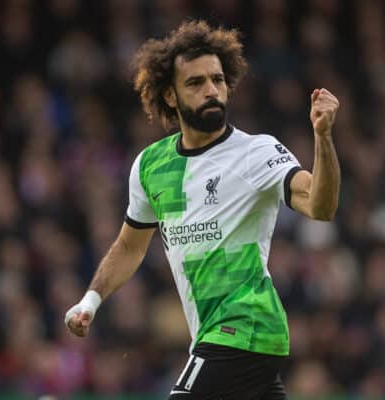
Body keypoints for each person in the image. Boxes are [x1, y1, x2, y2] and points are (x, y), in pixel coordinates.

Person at [65, 20, 340, 400]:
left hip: (245, 325)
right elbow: (130, 247)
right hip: (222, 337)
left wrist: (323, 138)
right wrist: (90, 301)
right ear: (170, 96)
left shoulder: (254, 153)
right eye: (196, 83)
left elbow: (321, 207)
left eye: (218, 80)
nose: (212, 90)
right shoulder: (151, 165)